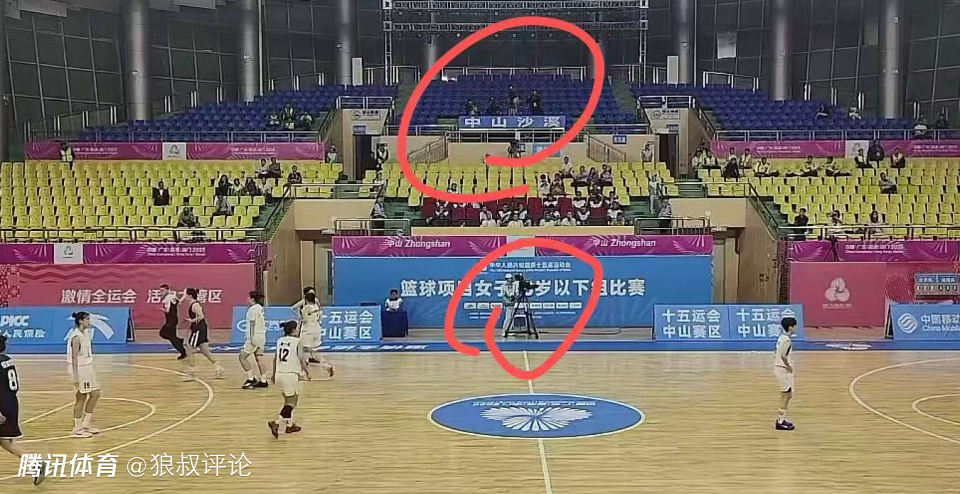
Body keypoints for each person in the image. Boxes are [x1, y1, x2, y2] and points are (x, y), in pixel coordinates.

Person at [0, 335, 48, 486]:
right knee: (5, 441)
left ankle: (36, 463)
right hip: (12, 402)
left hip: (1, 406)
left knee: (6, 441)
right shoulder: (8, 360)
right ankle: (35, 463)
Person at [268, 321, 310, 438]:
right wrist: (307, 372)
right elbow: (301, 359)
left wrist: (273, 374)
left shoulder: (280, 340)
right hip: (290, 375)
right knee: (292, 402)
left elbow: (275, 359)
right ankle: (276, 422)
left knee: (288, 401)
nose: (298, 330)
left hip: (279, 374)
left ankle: (290, 425)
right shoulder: (297, 342)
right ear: (293, 330)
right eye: (297, 329)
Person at [66, 311, 100, 438]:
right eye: (87, 319)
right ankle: (77, 428)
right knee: (81, 397)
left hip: (88, 368)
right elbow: (74, 358)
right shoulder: (76, 337)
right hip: (80, 370)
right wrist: (75, 376)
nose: (89, 322)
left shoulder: (85, 333)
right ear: (80, 321)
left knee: (95, 394)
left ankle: (86, 423)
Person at [182, 288, 224, 381]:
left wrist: (191, 320)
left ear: (190, 296)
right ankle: (218, 367)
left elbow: (201, 316)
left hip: (198, 329)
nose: (184, 296)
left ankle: (192, 373)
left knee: (189, 350)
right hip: (200, 328)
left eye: (185, 294)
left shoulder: (195, 305)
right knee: (205, 350)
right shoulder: (193, 304)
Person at [299, 292, 333, 377]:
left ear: (306, 299)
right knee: (313, 351)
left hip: (308, 331)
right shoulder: (316, 307)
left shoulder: (306, 307)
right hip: (317, 329)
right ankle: (326, 366)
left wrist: (300, 319)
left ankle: (303, 371)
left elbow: (305, 320)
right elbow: (319, 318)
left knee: (303, 350)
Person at [240, 291, 269, 390]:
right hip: (261, 336)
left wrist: (251, 338)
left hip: (254, 336)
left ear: (252, 299)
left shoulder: (252, 309)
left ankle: (250, 378)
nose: (247, 298)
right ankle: (264, 380)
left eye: (249, 297)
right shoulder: (260, 308)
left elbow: (252, 324)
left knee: (242, 357)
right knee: (259, 357)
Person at [774, 317, 798, 431]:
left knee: (788, 394)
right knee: (785, 395)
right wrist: (788, 366)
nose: (796, 328)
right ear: (790, 327)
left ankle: (782, 418)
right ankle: (780, 421)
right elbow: (783, 355)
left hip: (781, 369)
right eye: (795, 326)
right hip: (782, 370)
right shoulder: (787, 341)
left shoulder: (782, 338)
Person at [159, 284, 187, 360]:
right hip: (174, 319)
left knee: (165, 334)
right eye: (160, 291)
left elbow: (167, 310)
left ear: (167, 290)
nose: (161, 292)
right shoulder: (173, 296)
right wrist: (184, 295)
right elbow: (179, 302)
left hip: (170, 320)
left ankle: (182, 351)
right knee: (168, 335)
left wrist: (163, 310)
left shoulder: (167, 299)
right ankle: (179, 342)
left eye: (162, 291)